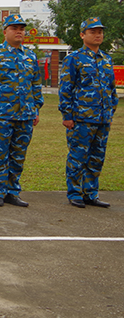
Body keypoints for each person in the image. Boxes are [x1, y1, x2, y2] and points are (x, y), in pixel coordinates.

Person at [0, 14, 43, 207]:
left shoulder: (30, 55)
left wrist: (36, 108)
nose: (19, 32)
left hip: (25, 114)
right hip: (1, 115)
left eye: (21, 29)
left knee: (18, 154)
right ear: (5, 31)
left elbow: (36, 83)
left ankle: (12, 192)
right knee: (0, 153)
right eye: (14, 28)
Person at [58, 17, 118, 208]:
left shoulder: (106, 59)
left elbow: (111, 88)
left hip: (102, 118)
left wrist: (110, 111)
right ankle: (75, 193)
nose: (98, 35)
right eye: (93, 32)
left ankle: (91, 193)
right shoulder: (73, 59)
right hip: (81, 119)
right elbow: (65, 89)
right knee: (78, 157)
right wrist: (67, 116)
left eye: (100, 32)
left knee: (97, 158)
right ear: (83, 35)